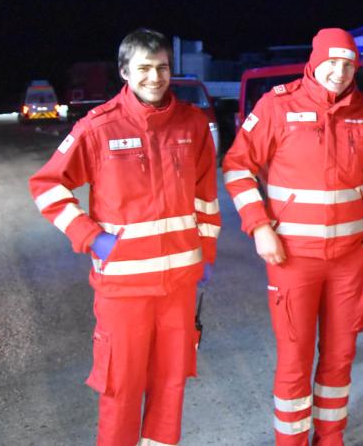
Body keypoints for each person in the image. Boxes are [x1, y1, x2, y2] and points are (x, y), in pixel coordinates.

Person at [29, 28, 221, 446]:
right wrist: (91, 237)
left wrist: (205, 255)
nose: (155, 77)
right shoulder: (99, 127)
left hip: (179, 287)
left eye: (162, 67)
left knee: (171, 384)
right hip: (123, 288)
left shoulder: (192, 124)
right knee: (121, 387)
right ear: (125, 72)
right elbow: (46, 186)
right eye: (145, 68)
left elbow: (206, 198)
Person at [222, 28, 363, 445]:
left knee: (340, 357)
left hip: (350, 259)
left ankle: (331, 438)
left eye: (348, 64)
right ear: (314, 63)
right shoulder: (277, 105)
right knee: (294, 360)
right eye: (332, 62)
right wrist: (260, 227)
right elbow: (237, 167)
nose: (339, 72)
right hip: (292, 259)